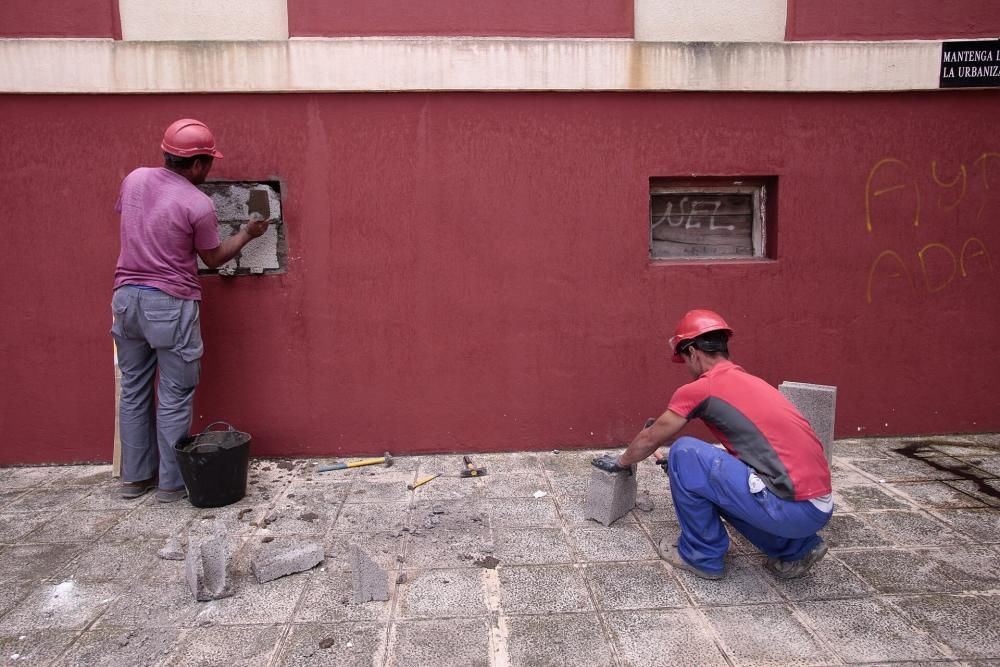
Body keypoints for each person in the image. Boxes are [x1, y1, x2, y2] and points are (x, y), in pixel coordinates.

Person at [593, 309, 833, 580]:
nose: (687, 366)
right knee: (708, 472)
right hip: (818, 506)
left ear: (693, 352)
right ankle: (797, 549)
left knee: (684, 452)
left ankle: (701, 555)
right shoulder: (751, 382)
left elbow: (650, 438)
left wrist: (620, 463)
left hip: (790, 509)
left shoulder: (702, 388)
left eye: (685, 359)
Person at [111, 118, 268, 502]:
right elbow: (212, 259)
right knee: (175, 394)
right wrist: (248, 233)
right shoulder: (197, 203)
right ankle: (169, 484)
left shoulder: (134, 179)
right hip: (169, 303)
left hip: (126, 298)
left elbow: (133, 220)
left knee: (133, 390)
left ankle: (133, 480)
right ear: (198, 164)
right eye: (209, 162)